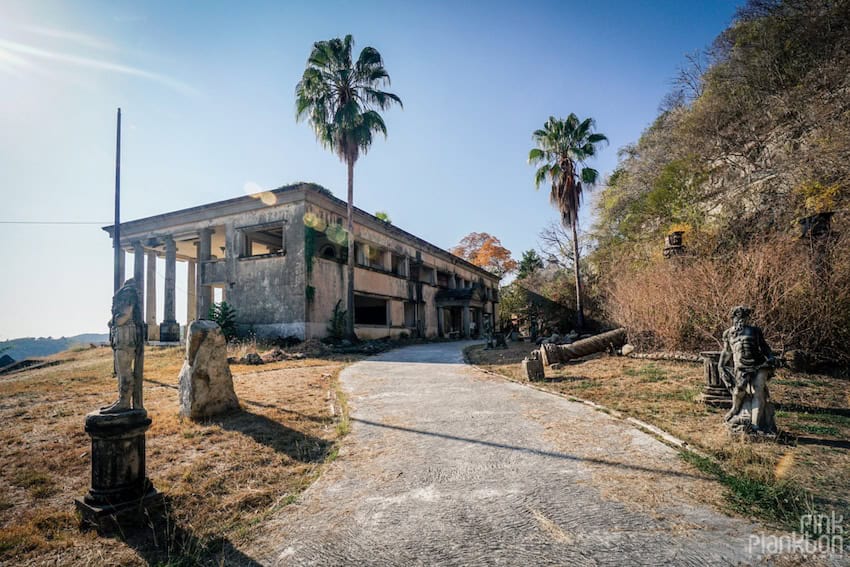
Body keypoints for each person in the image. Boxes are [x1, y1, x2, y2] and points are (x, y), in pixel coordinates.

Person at [718, 305, 777, 432]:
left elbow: (764, 347)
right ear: (733, 318)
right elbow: (726, 351)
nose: (741, 320)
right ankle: (735, 409)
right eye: (738, 317)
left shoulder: (755, 331)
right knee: (738, 391)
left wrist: (770, 357)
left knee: (758, 391)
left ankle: (755, 424)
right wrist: (720, 365)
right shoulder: (728, 334)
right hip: (741, 367)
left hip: (759, 364)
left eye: (744, 317)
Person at [101, 279, 143, 413]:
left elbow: (122, 317)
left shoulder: (128, 294)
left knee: (125, 371)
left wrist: (113, 321)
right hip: (121, 338)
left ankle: (124, 402)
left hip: (125, 337)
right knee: (120, 371)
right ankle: (121, 399)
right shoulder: (127, 294)